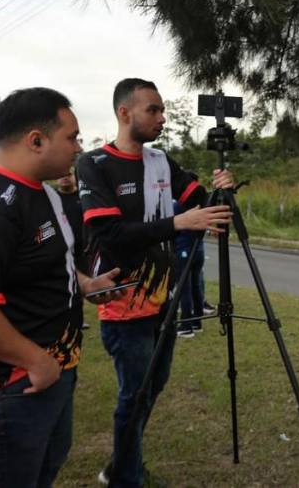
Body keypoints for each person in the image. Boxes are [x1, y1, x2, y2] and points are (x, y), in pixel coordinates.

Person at [0, 88, 122, 488]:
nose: (78, 147)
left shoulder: (44, 193)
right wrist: (36, 361)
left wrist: (87, 285)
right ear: (36, 140)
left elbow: (48, 267)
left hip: (50, 375)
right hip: (8, 386)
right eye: (71, 137)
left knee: (44, 472)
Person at [76, 78, 233, 488]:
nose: (162, 118)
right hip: (123, 302)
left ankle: (120, 464)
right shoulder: (94, 165)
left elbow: (201, 199)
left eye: (162, 110)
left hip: (165, 299)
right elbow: (108, 234)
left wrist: (220, 192)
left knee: (153, 387)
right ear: (124, 113)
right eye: (153, 110)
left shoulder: (162, 161)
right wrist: (179, 221)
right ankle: (126, 477)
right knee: (135, 393)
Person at [172, 195, 207, 338]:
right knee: (196, 285)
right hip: (198, 249)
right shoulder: (200, 204)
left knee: (183, 288)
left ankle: (186, 325)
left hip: (183, 250)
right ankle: (197, 321)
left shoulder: (178, 205)